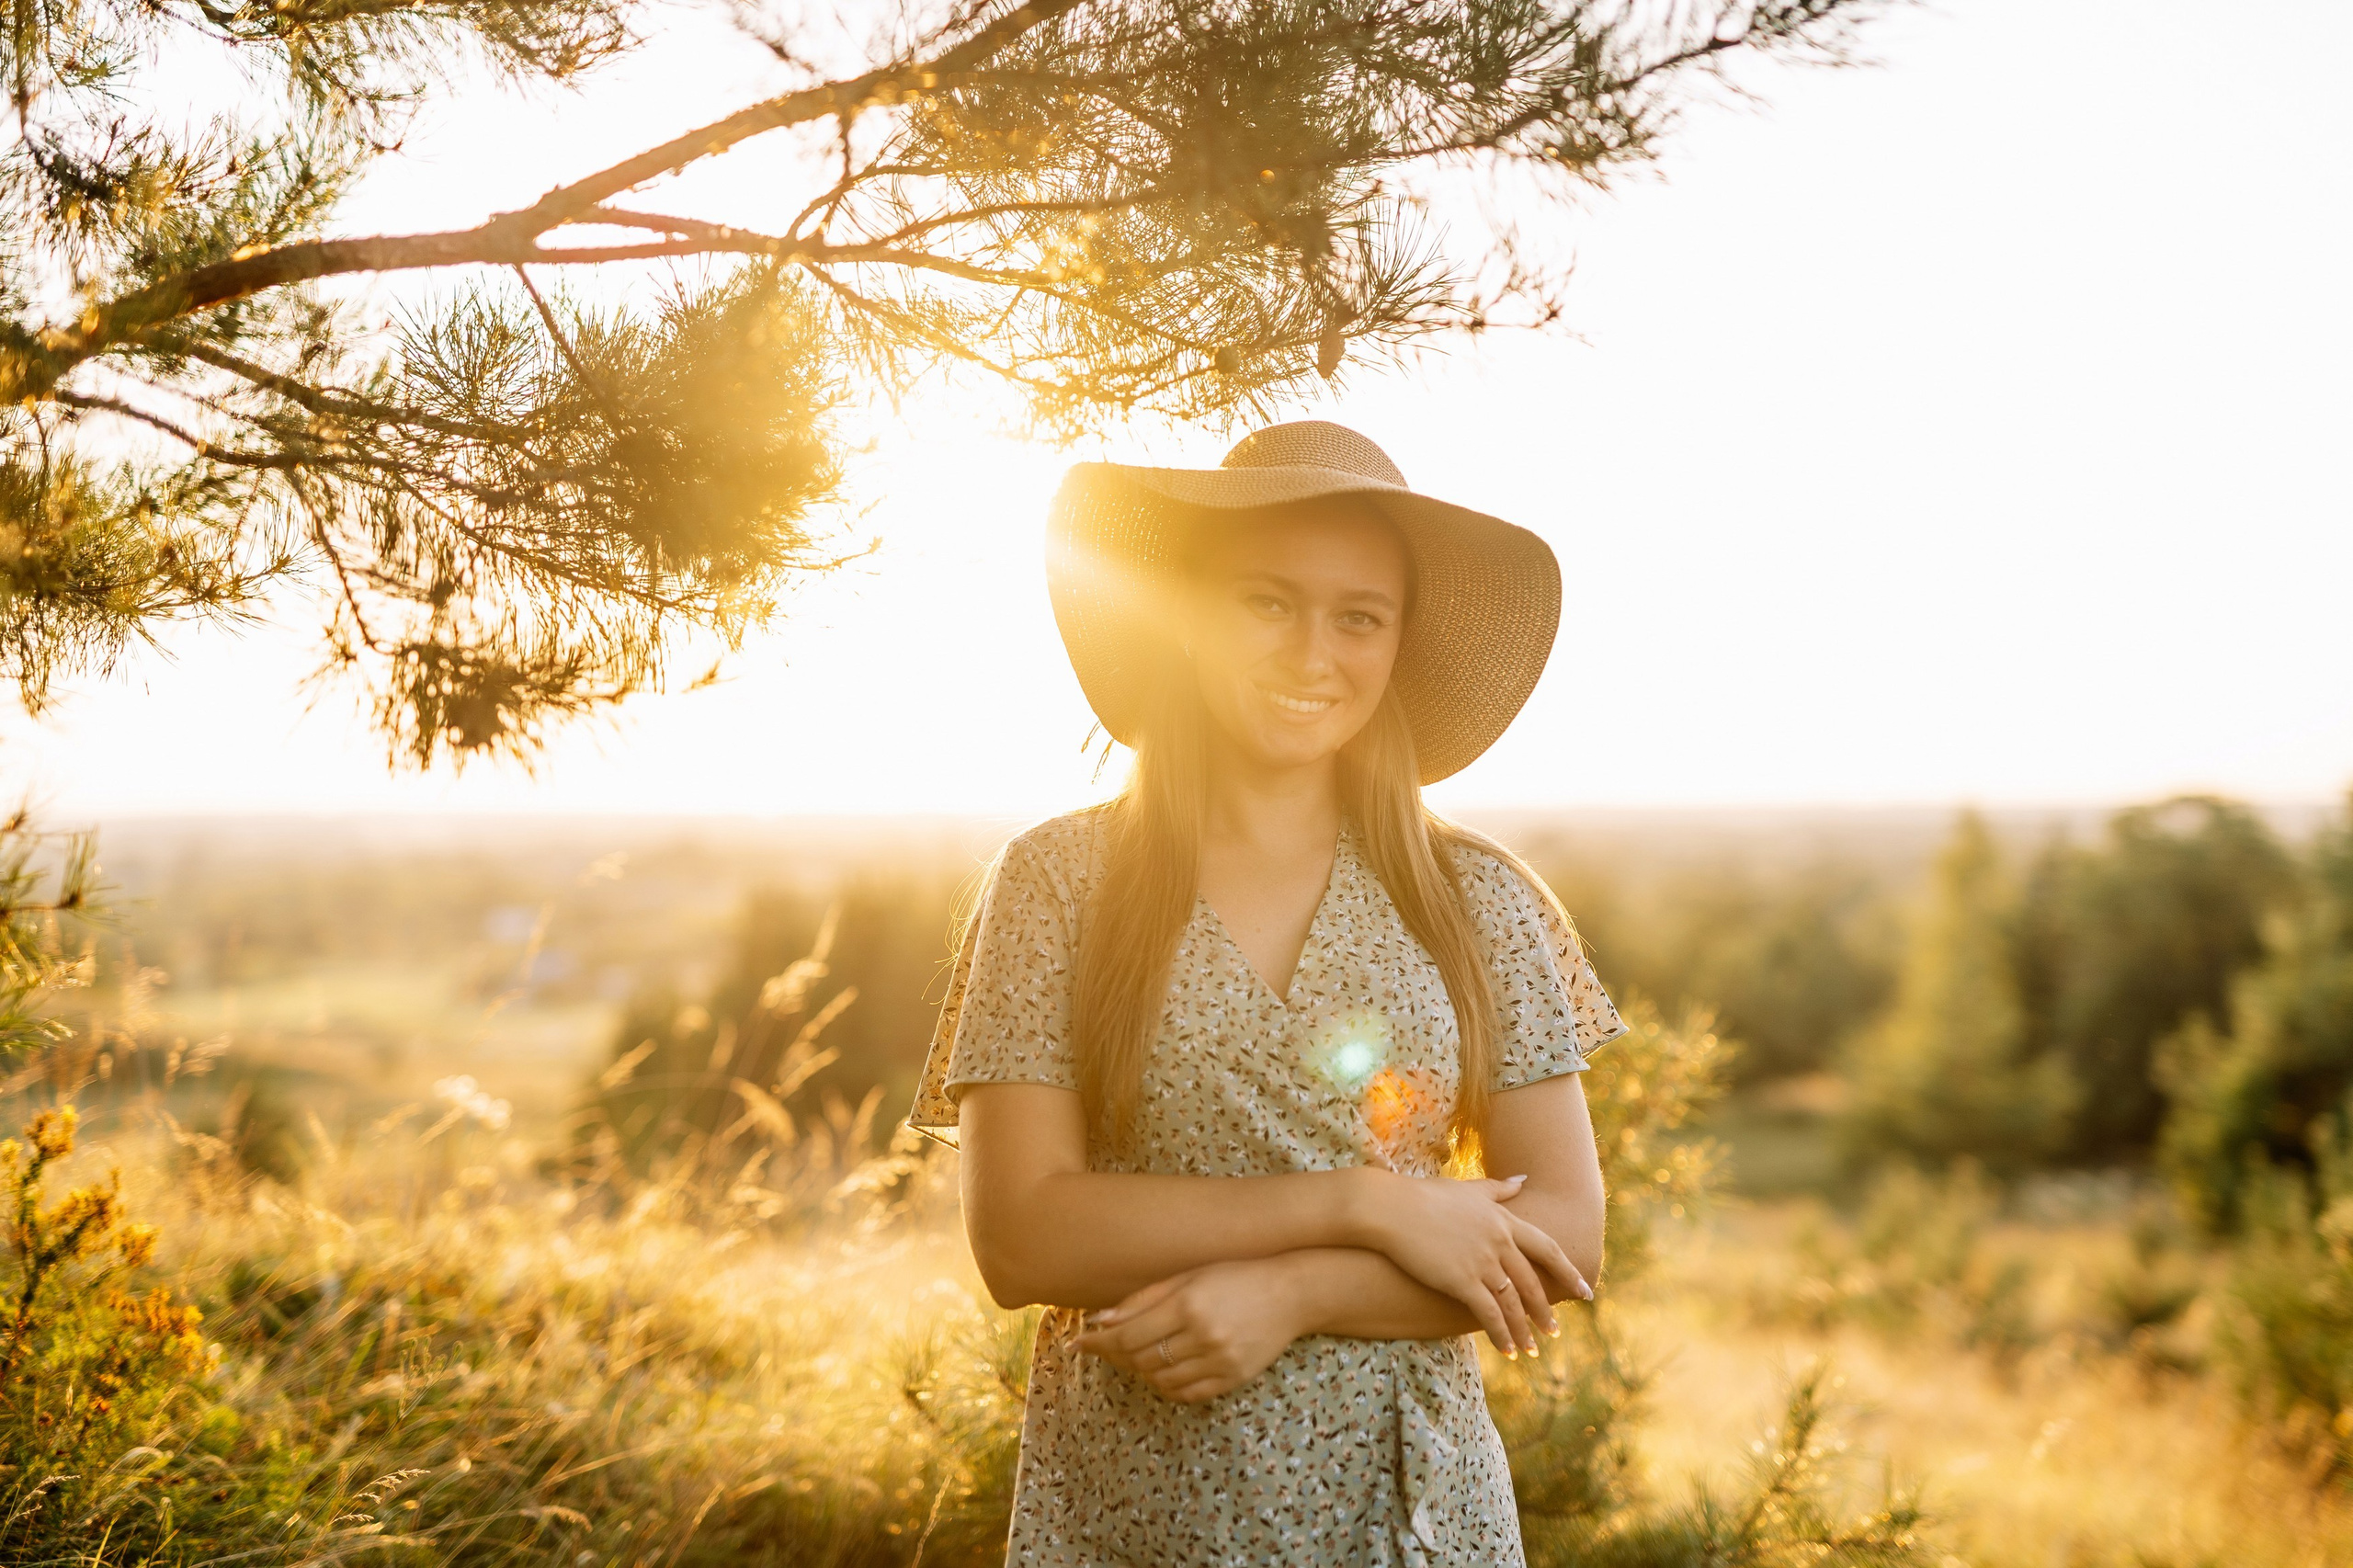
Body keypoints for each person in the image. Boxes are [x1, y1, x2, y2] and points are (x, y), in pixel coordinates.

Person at [907, 420, 1623, 1565]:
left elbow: (1563, 1232)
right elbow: (1022, 1232)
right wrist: (1364, 1201)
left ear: (1396, 645)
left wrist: (1291, 1291)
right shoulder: (1056, 880)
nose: (1311, 652)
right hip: (1136, 1511)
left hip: (1414, 1519)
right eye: (1265, 601)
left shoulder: (1477, 897)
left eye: (1358, 616)